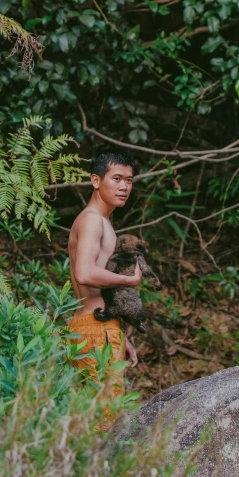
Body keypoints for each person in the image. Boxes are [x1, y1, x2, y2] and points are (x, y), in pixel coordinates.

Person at [68, 151, 142, 400]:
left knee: (95, 415)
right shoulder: (92, 220)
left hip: (98, 326)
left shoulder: (102, 221)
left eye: (129, 180)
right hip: (94, 329)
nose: (124, 187)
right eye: (117, 178)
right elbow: (84, 273)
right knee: (103, 420)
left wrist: (118, 334)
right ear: (96, 181)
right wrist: (129, 280)